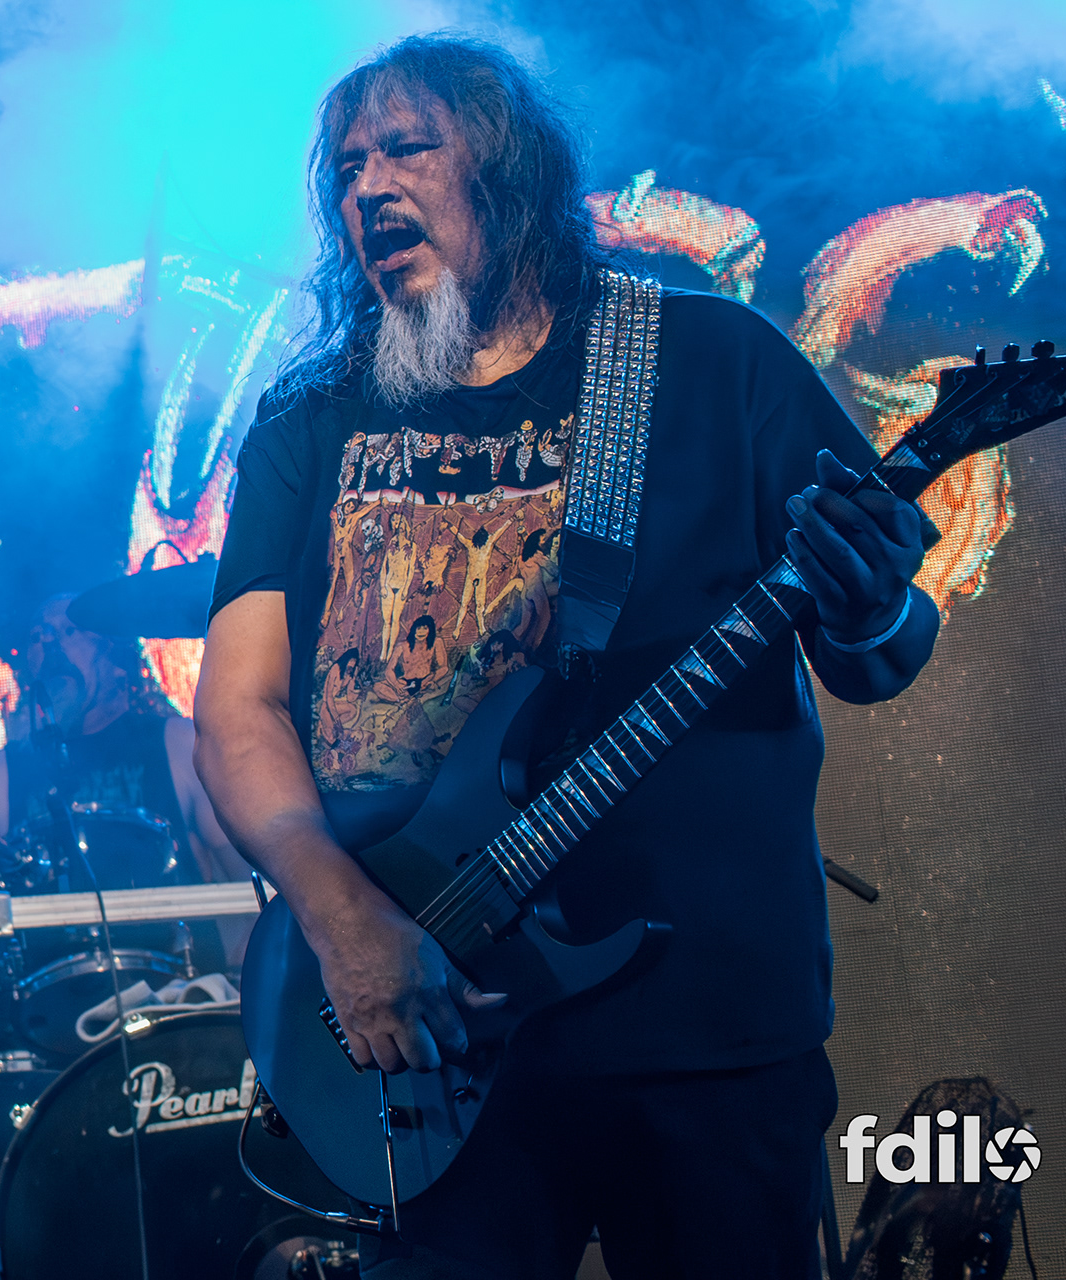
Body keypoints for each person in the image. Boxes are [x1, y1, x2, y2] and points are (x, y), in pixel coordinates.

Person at [192, 35, 937, 1280]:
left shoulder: (713, 365)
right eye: (347, 166)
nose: (369, 186)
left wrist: (868, 608)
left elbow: (881, 653)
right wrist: (342, 917)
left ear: (512, 176)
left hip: (700, 1033)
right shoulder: (309, 419)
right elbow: (239, 708)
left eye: (408, 148)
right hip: (423, 1035)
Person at [0, 593, 252, 965]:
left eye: (70, 630)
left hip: (182, 991)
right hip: (50, 996)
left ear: (117, 660)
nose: (51, 642)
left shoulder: (180, 745)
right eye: (37, 635)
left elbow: (254, 890)